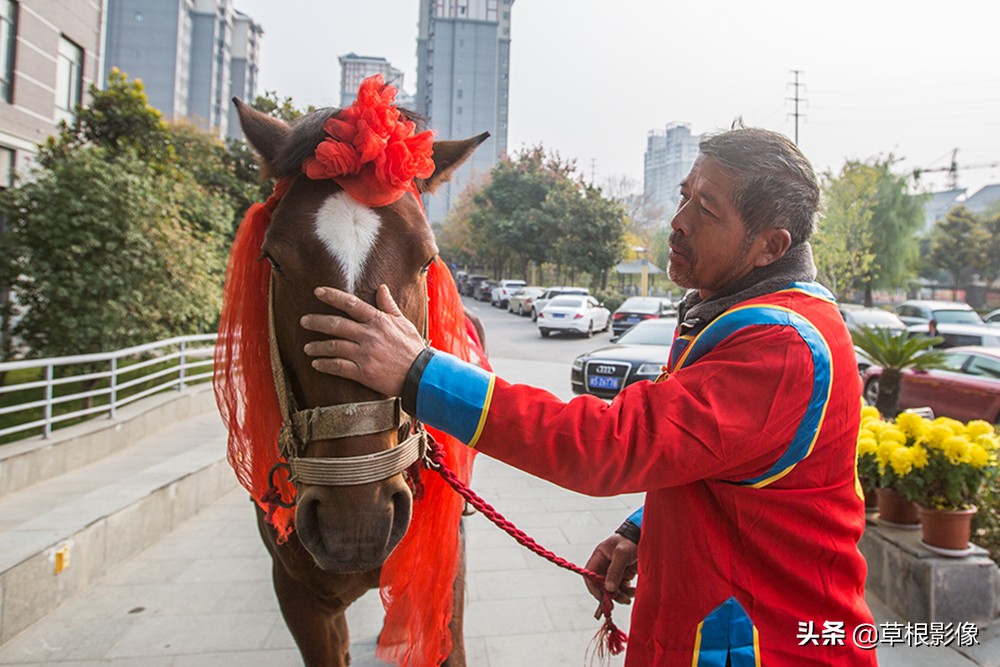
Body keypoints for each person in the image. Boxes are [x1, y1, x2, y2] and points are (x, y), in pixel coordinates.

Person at [300, 127, 877, 666]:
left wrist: (419, 373)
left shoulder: (781, 344)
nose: (677, 221)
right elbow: (721, 464)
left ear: (769, 247)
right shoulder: (734, 312)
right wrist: (642, 529)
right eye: (684, 195)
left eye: (707, 210)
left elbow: (608, 445)